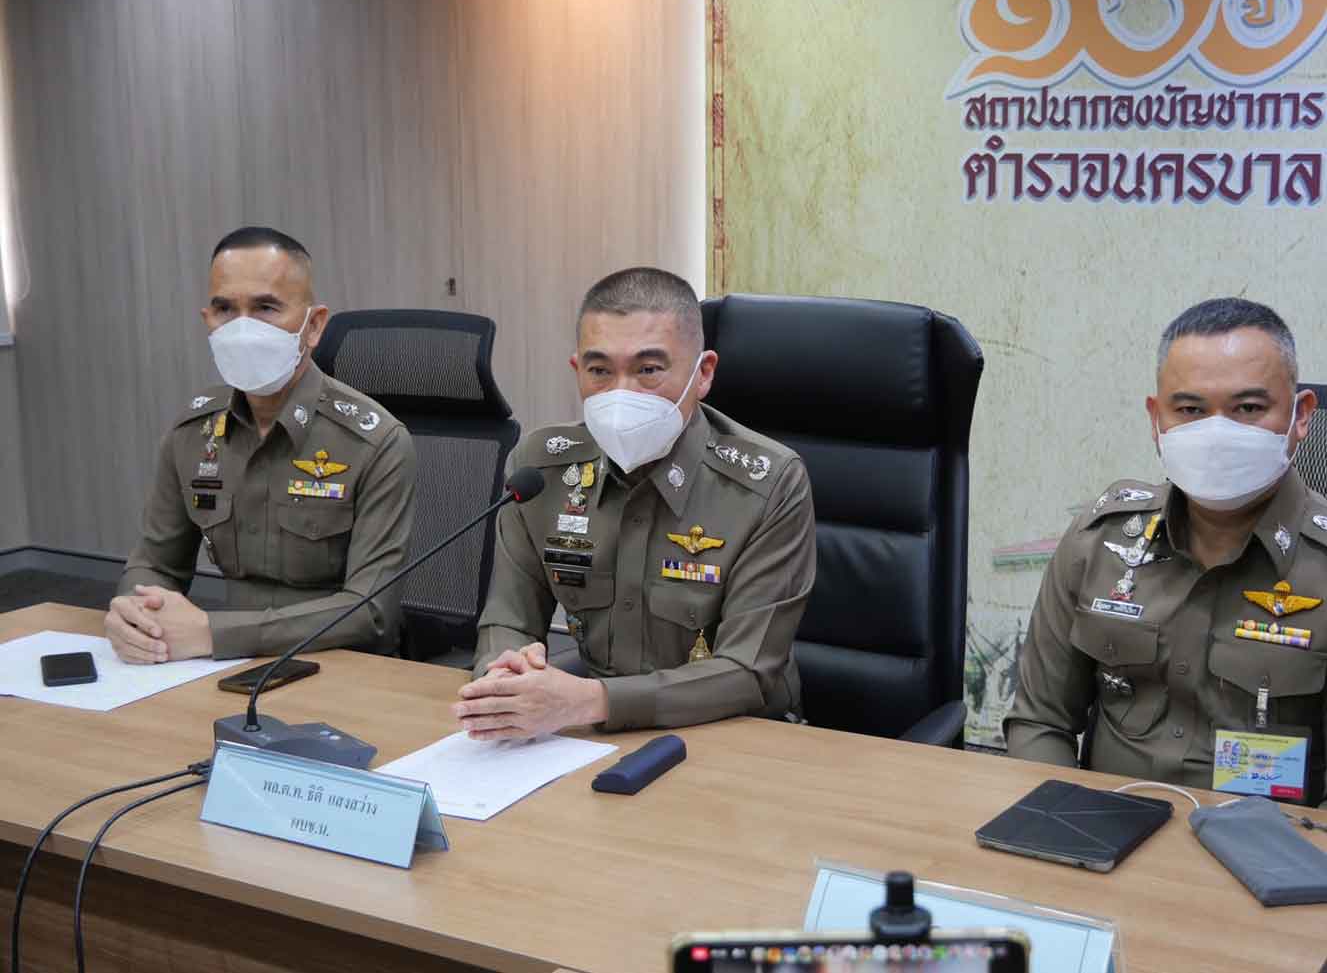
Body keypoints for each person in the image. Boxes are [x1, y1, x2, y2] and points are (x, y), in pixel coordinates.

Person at [1006, 298, 1327, 822]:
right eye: (1190, 410)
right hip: (1099, 838)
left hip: (1267, 867)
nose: (1217, 432)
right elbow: (1039, 724)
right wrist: (1067, 827)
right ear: (1156, 420)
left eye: (1248, 409)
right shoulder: (1099, 542)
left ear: (1300, 417)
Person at [453, 266, 815, 738]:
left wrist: (592, 701)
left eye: (648, 370)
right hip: (587, 734)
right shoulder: (540, 471)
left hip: (737, 737)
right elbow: (508, 618)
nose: (621, 394)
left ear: (702, 374)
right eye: (599, 370)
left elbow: (747, 671)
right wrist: (503, 676)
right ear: (576, 370)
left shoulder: (769, 484)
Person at [105, 226, 415, 662]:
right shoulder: (192, 433)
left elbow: (370, 610)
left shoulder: (375, 442)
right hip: (216, 663)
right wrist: (136, 616)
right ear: (207, 321)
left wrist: (215, 634)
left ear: (314, 325)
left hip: (342, 665)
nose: (243, 328)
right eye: (225, 309)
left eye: (266, 307)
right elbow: (155, 563)